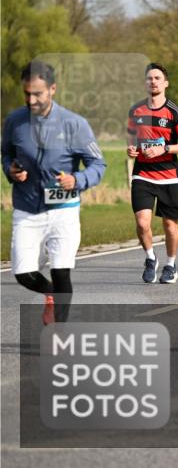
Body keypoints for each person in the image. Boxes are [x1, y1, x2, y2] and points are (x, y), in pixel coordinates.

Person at [3, 62, 107, 325]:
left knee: (61, 272)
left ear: (52, 89)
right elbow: (6, 154)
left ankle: (59, 332)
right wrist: (11, 170)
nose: (31, 99)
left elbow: (98, 164)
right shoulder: (14, 121)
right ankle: (52, 294)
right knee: (23, 274)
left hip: (63, 209)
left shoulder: (74, 124)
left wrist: (78, 179)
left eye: (38, 93)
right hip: (27, 208)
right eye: (27, 93)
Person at [127, 63, 178, 284]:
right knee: (142, 223)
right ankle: (150, 258)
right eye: (149, 78)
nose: (153, 82)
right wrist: (131, 150)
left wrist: (164, 148)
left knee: (170, 225)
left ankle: (171, 264)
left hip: (169, 176)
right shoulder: (136, 111)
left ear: (165, 83)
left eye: (157, 78)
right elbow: (132, 143)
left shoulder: (174, 112)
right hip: (142, 174)